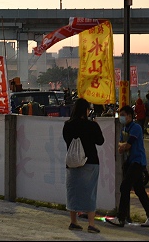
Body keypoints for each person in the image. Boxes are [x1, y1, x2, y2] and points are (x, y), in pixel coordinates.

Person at [107, 105, 149, 228]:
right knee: (139, 190)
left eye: (123, 115)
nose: (121, 118)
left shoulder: (136, 128)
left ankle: (121, 218)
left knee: (125, 187)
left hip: (137, 162)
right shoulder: (124, 128)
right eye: (120, 115)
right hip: (130, 161)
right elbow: (120, 145)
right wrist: (123, 145)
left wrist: (123, 146)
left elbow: (127, 145)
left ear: (130, 116)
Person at [62, 98, 104, 233]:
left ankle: (73, 222)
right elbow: (100, 141)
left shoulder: (67, 125)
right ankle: (91, 224)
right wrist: (95, 126)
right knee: (90, 192)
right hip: (90, 162)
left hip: (72, 162)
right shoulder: (91, 125)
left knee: (73, 191)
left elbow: (67, 140)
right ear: (85, 110)